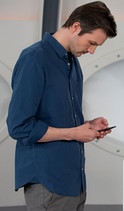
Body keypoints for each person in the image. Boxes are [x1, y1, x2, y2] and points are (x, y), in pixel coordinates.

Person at [6, 1, 117, 210]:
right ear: (75, 27)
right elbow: (19, 126)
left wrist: (88, 126)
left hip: (73, 183)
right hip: (48, 184)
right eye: (91, 42)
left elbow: (57, 118)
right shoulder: (34, 59)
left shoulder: (71, 62)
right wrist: (75, 133)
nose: (92, 51)